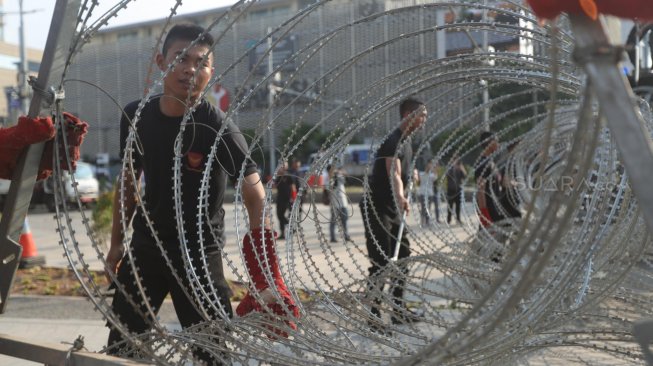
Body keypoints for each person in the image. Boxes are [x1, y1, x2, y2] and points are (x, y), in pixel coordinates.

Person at [104, 24, 298, 364]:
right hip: (147, 247)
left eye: (201, 62)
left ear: (211, 72)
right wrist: (117, 243)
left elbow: (255, 192)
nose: (190, 69)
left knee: (213, 353)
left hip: (198, 254)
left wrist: (264, 272)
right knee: (122, 348)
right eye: (181, 57)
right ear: (162, 60)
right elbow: (129, 182)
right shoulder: (136, 115)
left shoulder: (217, 126)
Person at [359, 97, 427, 326]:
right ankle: (373, 315)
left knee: (403, 256)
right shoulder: (393, 141)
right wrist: (400, 196)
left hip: (392, 209)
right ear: (408, 115)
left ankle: (397, 309)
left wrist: (413, 174)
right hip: (378, 207)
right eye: (421, 115)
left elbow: (403, 170)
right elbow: (393, 173)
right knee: (381, 261)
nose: (423, 120)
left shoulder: (406, 142)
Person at [475, 131, 502, 227]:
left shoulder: (490, 162)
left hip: (495, 207)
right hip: (489, 210)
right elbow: (480, 191)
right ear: (490, 143)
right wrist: (484, 215)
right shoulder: (482, 164)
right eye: (497, 141)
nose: (499, 144)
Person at [328, 164, 351, 242]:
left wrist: (343, 173)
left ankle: (346, 235)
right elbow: (333, 186)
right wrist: (335, 175)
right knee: (334, 221)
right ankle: (332, 237)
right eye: (332, 169)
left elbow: (348, 181)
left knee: (345, 219)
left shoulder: (339, 177)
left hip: (343, 202)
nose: (335, 171)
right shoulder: (330, 179)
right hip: (335, 204)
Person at [275, 161, 295, 240]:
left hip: (287, 199)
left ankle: (290, 226)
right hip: (280, 198)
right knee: (279, 215)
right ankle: (283, 233)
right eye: (281, 166)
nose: (282, 168)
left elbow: (293, 187)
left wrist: (293, 198)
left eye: (283, 166)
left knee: (282, 215)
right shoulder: (278, 177)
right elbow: (275, 185)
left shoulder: (288, 176)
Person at [446, 157, 467, 224]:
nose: (456, 164)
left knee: (458, 206)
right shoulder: (450, 169)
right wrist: (453, 167)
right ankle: (448, 220)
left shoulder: (460, 170)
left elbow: (465, 176)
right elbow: (447, 175)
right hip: (450, 190)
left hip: (458, 190)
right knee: (450, 205)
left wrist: (462, 169)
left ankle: (458, 219)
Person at [417, 161, 438, 226]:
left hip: (428, 193)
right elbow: (418, 180)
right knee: (424, 208)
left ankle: (426, 221)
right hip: (423, 193)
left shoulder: (430, 175)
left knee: (427, 208)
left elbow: (435, 177)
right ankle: (423, 221)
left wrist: (433, 169)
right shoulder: (422, 174)